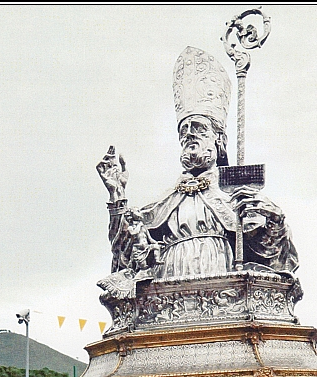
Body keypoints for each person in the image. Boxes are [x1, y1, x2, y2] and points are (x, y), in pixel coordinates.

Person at [96, 46, 297, 284]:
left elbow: (273, 255)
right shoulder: (165, 200)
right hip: (169, 290)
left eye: (199, 127)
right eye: (184, 130)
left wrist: (275, 220)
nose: (190, 134)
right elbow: (125, 255)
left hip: (221, 285)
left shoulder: (235, 195)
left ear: (219, 140)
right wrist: (116, 194)